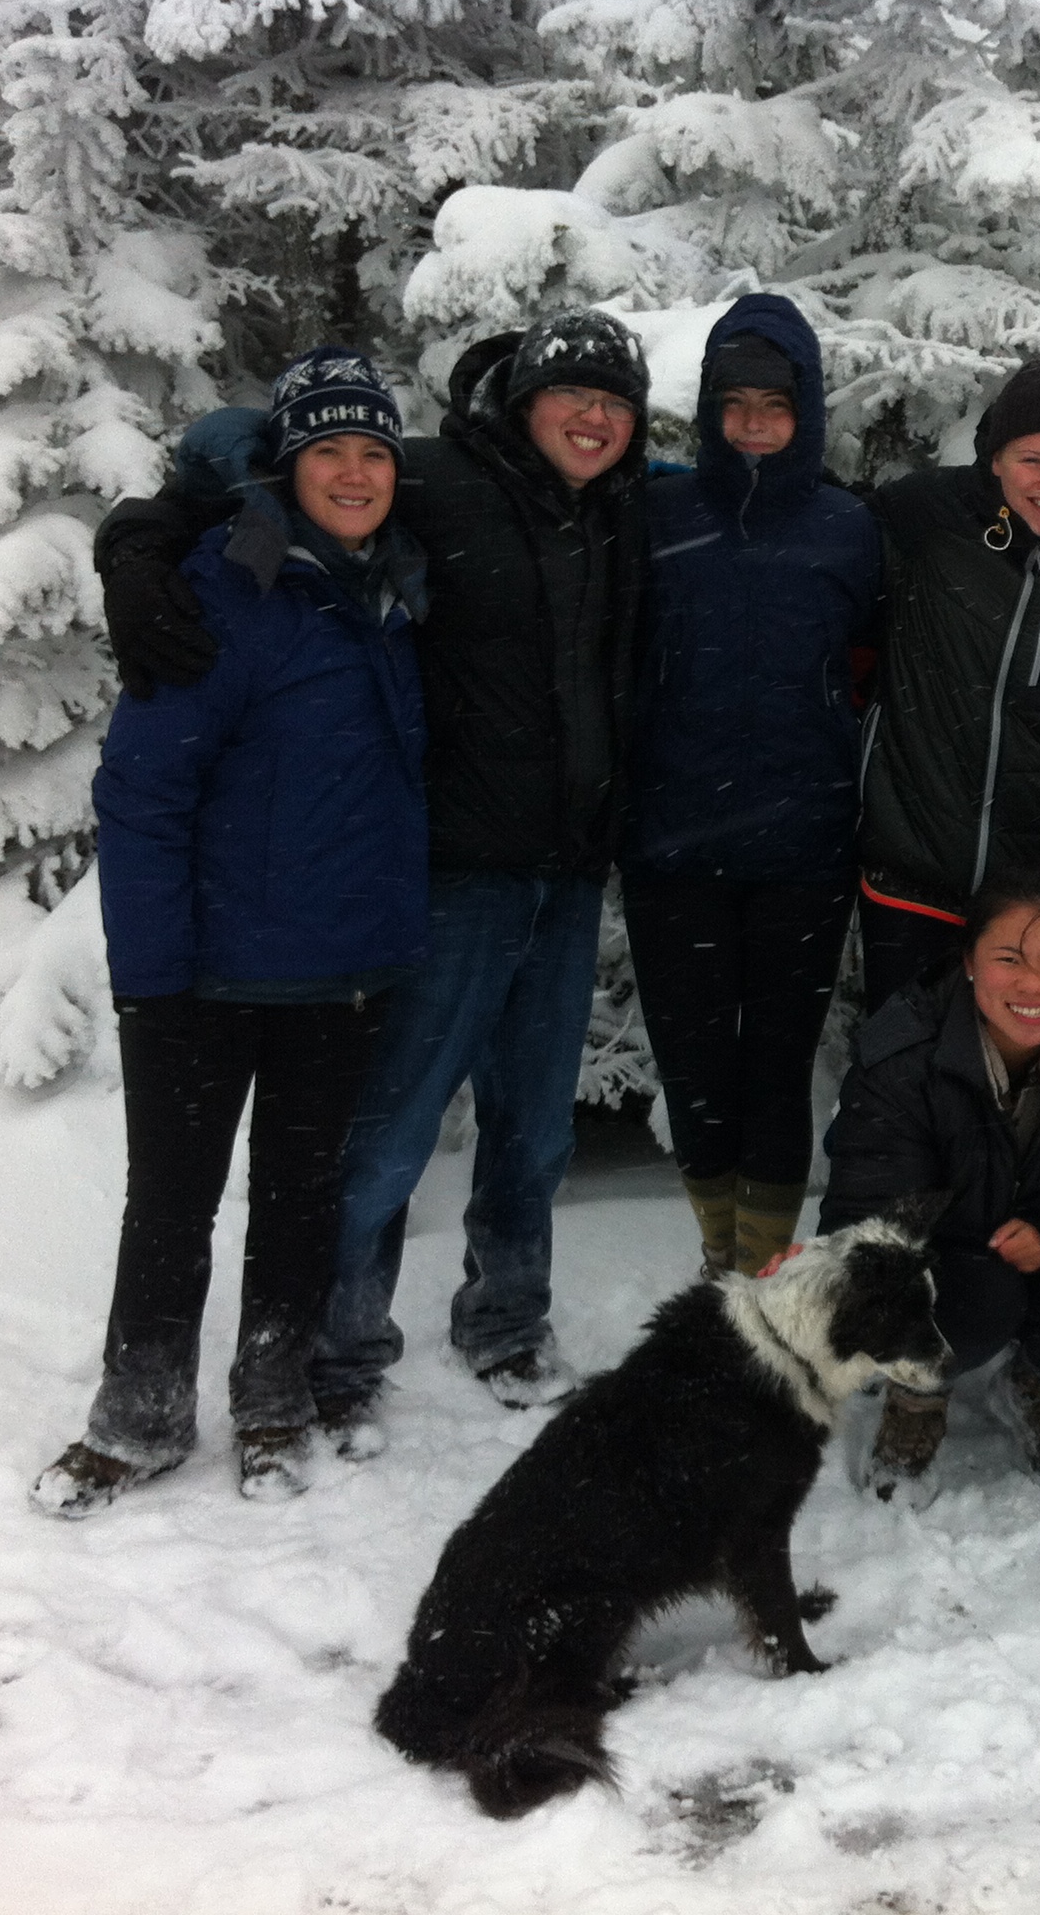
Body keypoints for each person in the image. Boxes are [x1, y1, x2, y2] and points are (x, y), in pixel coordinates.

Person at [97, 308, 653, 1446]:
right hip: (448, 873)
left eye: (615, 400)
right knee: (389, 1136)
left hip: (566, 872)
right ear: (521, 402)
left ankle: (506, 1322)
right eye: (571, 394)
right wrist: (140, 539)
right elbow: (242, 454)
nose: (592, 417)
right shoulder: (436, 478)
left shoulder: (631, 509)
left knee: (534, 1132)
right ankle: (339, 1353)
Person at [35, 349, 428, 1515]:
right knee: (173, 1198)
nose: (354, 474)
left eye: (374, 453)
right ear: (289, 465)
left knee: (301, 1196)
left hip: (343, 967)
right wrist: (151, 975)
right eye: (329, 452)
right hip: (204, 974)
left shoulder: (398, 592)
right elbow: (142, 793)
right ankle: (138, 1419)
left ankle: (273, 1402)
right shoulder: (220, 589)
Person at [623, 296, 880, 1274]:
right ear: (710, 407)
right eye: (737, 404)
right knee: (696, 1073)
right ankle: (717, 1254)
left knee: (777, 1074)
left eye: (777, 403)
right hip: (671, 850)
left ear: (806, 408)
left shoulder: (848, 528)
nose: (757, 421)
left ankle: (761, 1268)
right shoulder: (656, 514)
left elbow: (879, 654)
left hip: (802, 854)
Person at [817, 874, 1040, 1494]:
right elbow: (866, 1212)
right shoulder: (905, 1053)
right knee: (976, 1299)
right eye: (1008, 959)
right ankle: (915, 1399)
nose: (1031, 983)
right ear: (968, 962)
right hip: (942, 1255)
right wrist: (954, 1252)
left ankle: (1039, 1387)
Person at [857, 359, 1040, 1003]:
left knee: (1023, 1080)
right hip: (914, 867)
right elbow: (828, 545)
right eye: (1029, 459)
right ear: (993, 459)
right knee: (900, 1070)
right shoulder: (929, 515)